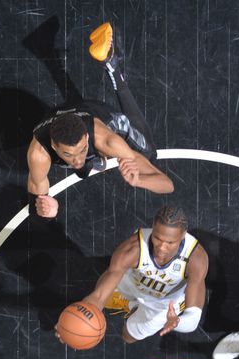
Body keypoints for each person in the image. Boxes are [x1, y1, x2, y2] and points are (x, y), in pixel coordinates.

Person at [28, 22, 174, 218]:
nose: (77, 159)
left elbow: (167, 185)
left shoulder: (107, 141)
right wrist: (49, 210)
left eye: (81, 150)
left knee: (148, 153)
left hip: (96, 114)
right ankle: (103, 60)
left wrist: (139, 180)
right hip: (63, 117)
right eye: (69, 155)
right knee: (83, 167)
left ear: (87, 137)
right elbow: (37, 205)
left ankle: (111, 63)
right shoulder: (38, 154)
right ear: (54, 146)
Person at [58, 206, 208, 343]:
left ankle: (137, 307)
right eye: (157, 238)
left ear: (182, 237)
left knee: (128, 337)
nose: (162, 247)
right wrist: (72, 324)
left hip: (162, 306)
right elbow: (98, 297)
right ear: (153, 229)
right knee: (104, 292)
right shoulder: (133, 249)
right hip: (131, 285)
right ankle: (130, 303)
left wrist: (177, 322)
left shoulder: (196, 259)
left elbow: (193, 320)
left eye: (170, 242)